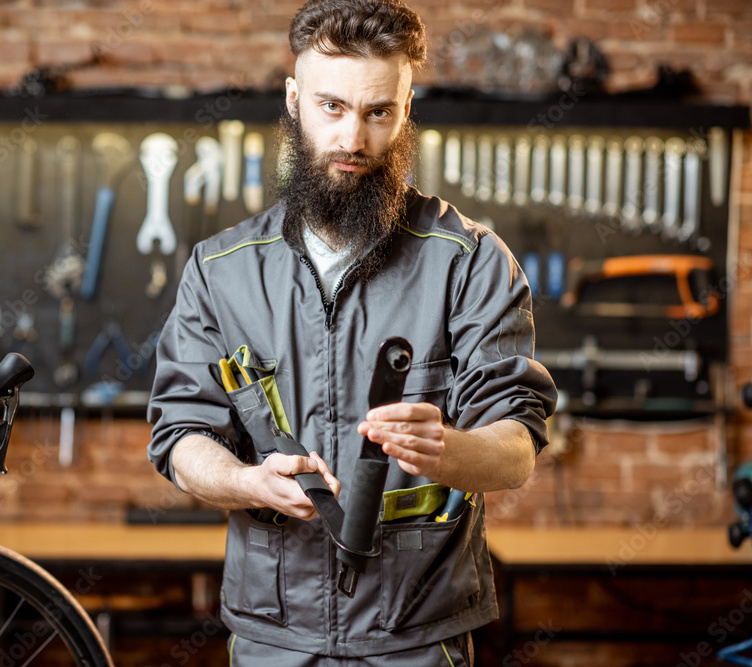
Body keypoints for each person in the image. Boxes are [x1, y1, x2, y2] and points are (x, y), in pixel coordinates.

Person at [147, 0, 557, 662]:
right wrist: (250, 481)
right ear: (293, 100)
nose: (353, 139)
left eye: (377, 112)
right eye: (330, 107)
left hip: (417, 635)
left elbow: (517, 447)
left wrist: (446, 449)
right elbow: (180, 435)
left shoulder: (470, 262)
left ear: (406, 106)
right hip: (274, 637)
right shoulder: (219, 271)